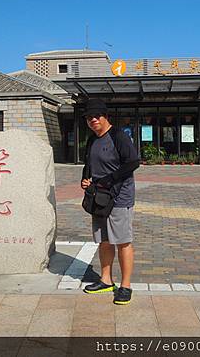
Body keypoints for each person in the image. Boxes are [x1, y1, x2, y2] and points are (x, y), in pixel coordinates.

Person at [80, 99, 140, 305]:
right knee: (103, 240)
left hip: (119, 197)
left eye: (97, 116)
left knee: (123, 240)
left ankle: (125, 285)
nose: (93, 120)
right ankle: (106, 280)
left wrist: (108, 180)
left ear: (106, 116)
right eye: (89, 117)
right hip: (99, 197)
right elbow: (88, 163)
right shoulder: (92, 140)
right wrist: (85, 179)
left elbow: (133, 162)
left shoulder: (118, 136)